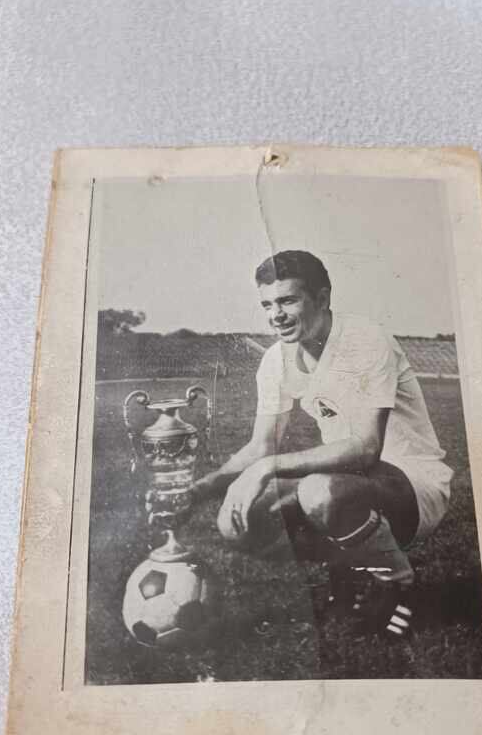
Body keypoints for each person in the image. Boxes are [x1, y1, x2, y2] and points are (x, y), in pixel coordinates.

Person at [190, 250, 452, 583]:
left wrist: (267, 468)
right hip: (346, 480)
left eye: (287, 301)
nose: (276, 316)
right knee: (236, 523)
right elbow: (262, 446)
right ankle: (349, 567)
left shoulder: (364, 339)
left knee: (319, 492)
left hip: (413, 485)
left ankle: (399, 586)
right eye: (267, 305)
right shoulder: (275, 360)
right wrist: (199, 490)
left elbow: (367, 448)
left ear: (322, 297)